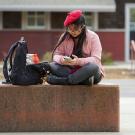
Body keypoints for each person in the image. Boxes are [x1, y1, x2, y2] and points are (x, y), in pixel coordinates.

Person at [46, 9, 104, 85]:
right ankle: (83, 81)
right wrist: (62, 60)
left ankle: (64, 81)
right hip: (71, 70)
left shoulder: (93, 37)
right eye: (70, 29)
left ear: (83, 26)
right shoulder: (65, 37)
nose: (73, 32)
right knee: (52, 65)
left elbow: (96, 60)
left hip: (88, 71)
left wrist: (78, 61)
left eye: (76, 29)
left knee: (93, 67)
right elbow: (56, 55)